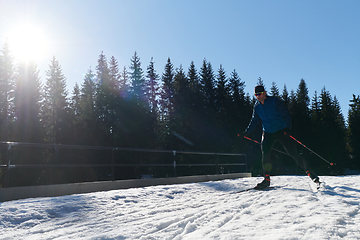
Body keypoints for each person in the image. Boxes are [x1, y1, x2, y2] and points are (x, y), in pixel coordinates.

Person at [244, 85, 320, 190]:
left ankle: (310, 173)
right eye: (256, 95)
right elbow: (254, 120)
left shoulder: (274, 102)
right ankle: (266, 180)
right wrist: (247, 132)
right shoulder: (257, 106)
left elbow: (286, 114)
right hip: (267, 132)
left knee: (293, 152)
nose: (258, 96)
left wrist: (288, 128)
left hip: (281, 130)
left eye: (259, 94)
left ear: (264, 93)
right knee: (265, 154)